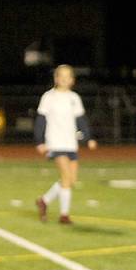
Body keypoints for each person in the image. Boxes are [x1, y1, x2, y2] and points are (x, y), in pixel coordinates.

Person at [35, 64, 97, 224]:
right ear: (56, 78)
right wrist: (40, 141)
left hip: (71, 144)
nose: (64, 79)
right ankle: (64, 215)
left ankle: (44, 201)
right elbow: (40, 120)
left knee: (71, 180)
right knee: (66, 176)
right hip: (55, 143)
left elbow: (81, 120)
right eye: (60, 76)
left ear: (72, 80)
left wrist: (89, 138)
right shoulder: (48, 97)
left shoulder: (74, 98)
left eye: (67, 76)